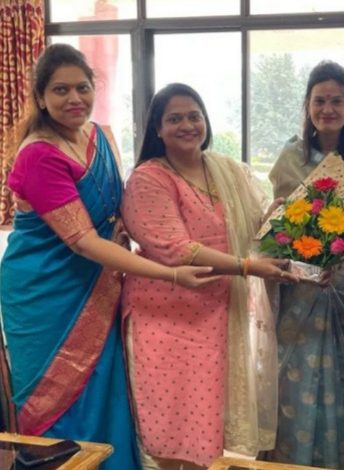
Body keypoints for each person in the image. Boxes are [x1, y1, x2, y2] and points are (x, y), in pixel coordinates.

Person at [0, 44, 218, 470]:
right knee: (57, 403)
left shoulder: (100, 136)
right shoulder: (39, 154)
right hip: (46, 295)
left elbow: (117, 210)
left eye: (82, 87)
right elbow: (83, 239)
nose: (74, 98)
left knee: (106, 387)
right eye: (60, 90)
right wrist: (171, 274)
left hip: (100, 282)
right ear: (40, 97)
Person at [120, 82, 298, 470]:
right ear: (158, 129)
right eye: (174, 119)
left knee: (206, 425)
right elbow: (177, 249)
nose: (187, 125)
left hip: (215, 313)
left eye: (194, 116)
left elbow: (253, 228)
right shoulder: (149, 178)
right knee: (168, 423)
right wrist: (247, 267)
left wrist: (280, 215)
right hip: (165, 318)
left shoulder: (227, 170)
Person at [261, 61, 344, 470]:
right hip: (296, 289)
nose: (328, 109)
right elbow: (281, 229)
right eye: (319, 100)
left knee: (340, 387)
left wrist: (332, 270)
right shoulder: (288, 158)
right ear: (308, 105)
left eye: (337, 100)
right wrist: (304, 266)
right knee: (289, 385)